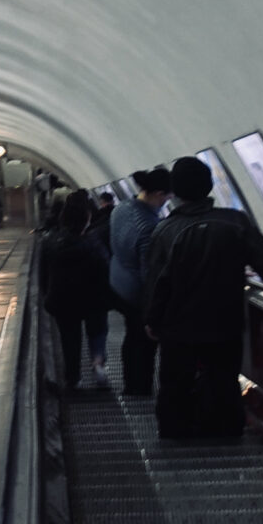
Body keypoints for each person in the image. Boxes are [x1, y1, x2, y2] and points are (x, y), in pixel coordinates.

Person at [141, 154, 263, 440]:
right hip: (224, 321)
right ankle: (224, 430)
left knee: (175, 382)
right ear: (209, 186)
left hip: (177, 325)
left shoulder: (165, 230)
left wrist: (152, 319)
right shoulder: (235, 222)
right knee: (223, 378)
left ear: (175, 192)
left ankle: (175, 433)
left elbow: (156, 282)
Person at [105, 166, 172, 397]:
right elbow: (149, 272)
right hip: (136, 292)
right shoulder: (149, 226)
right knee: (145, 341)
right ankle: (140, 388)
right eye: (167, 197)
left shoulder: (120, 208)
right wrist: (153, 311)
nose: (167, 202)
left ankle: (130, 385)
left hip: (118, 284)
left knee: (131, 336)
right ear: (158, 193)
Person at [38, 195, 114, 390]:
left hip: (62, 300)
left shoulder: (50, 242)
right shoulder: (94, 244)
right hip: (93, 300)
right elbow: (106, 272)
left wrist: (47, 294)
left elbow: (43, 273)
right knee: (98, 330)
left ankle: (73, 378)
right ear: (86, 219)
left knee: (69, 339)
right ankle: (98, 363)